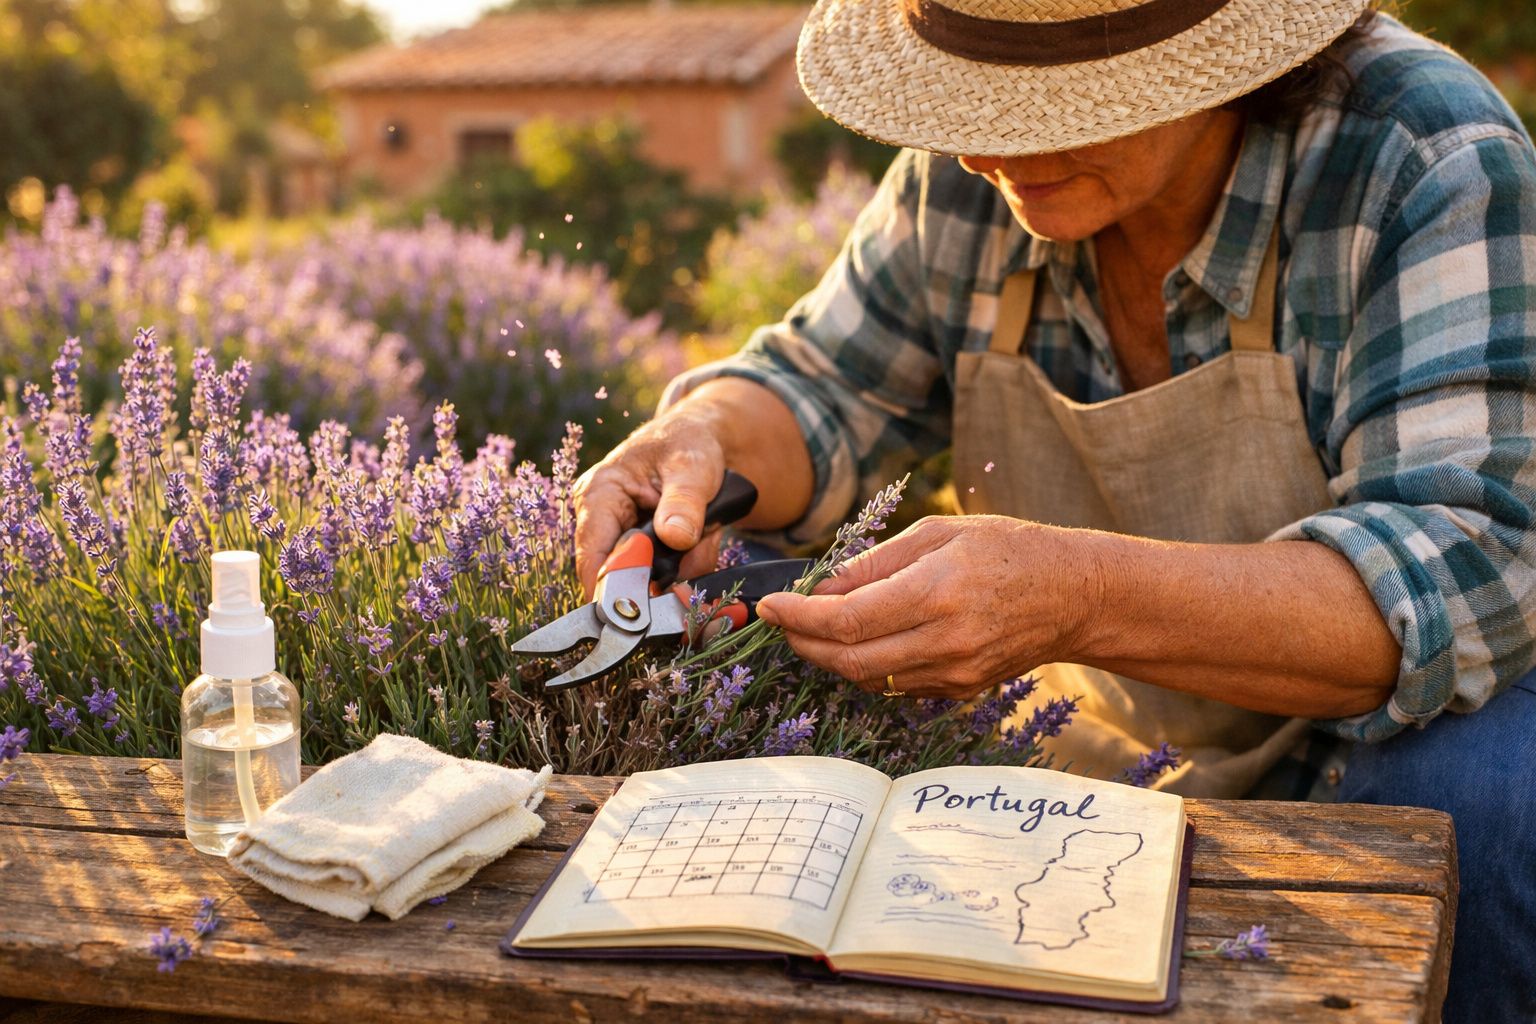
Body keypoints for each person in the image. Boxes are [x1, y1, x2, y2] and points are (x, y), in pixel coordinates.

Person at [572, 1, 1536, 1018]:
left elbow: (1456, 574)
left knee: (1486, 791)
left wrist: (1076, 596)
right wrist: (704, 438)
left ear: (1212, 64)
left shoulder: (1426, 157)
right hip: (1099, 735)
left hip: (1377, 741)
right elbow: (822, 389)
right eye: (973, 101)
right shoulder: (975, 174)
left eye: (1049, 107)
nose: (988, 149)